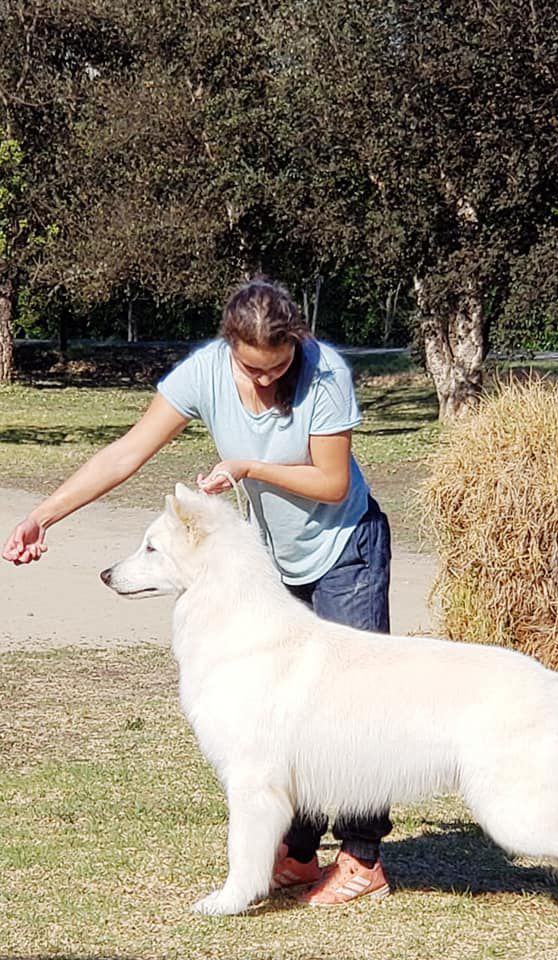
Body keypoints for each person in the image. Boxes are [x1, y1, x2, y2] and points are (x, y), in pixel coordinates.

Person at [2, 278, 393, 905]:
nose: (264, 383)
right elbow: (125, 453)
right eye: (251, 369)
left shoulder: (327, 374)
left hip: (346, 546)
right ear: (228, 348)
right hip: (277, 558)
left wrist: (247, 466)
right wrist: (43, 516)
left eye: (277, 367)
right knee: (280, 711)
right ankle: (295, 852)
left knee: (353, 702)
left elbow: (329, 480)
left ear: (296, 344)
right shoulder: (205, 372)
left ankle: (363, 856)